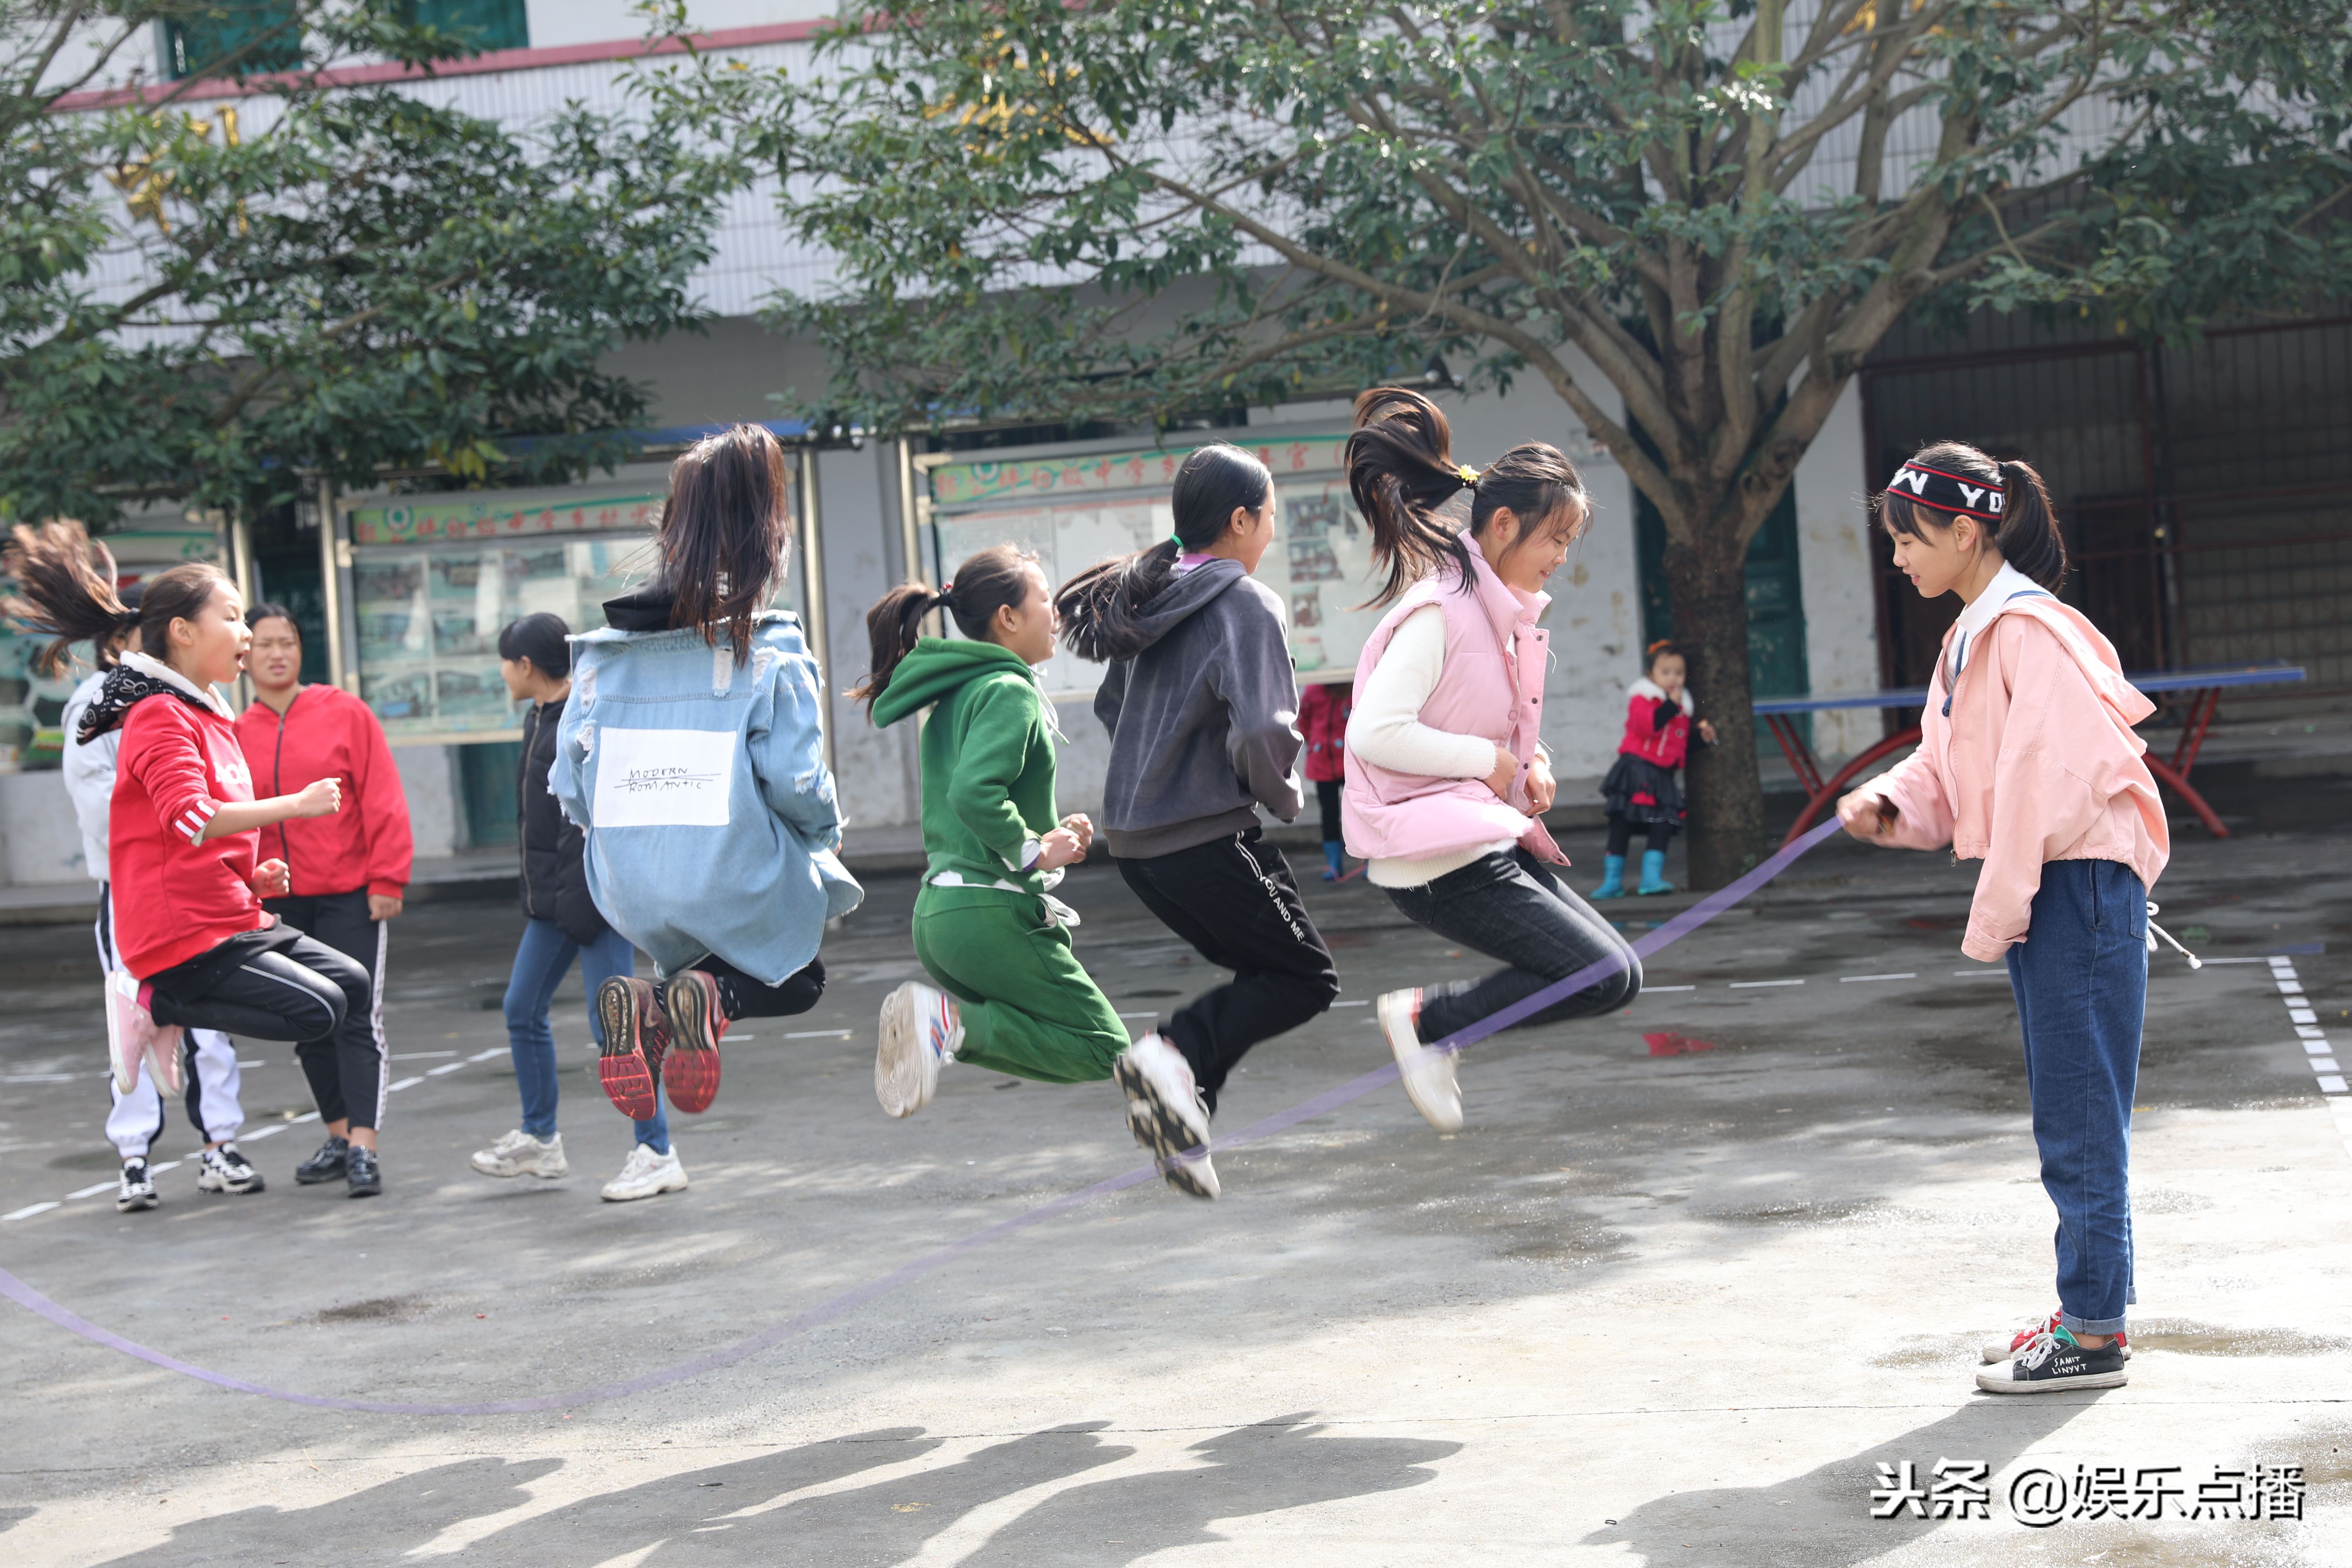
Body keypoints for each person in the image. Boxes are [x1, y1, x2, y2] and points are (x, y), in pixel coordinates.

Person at [1838, 441, 2169, 1395]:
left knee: (2079, 1117)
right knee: (2068, 1110)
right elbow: (1949, 774)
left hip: (2078, 886)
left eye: (1908, 538)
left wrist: (1995, 915)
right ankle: (2083, 1310)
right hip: (2054, 888)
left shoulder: (2027, 632)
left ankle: (2094, 1334)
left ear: (1965, 531)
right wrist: (1888, 802)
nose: (1898, 556)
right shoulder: (1972, 636)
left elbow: (2041, 788)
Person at [3, 522, 378, 1195]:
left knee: (352, 986)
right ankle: (151, 998)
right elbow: (192, 818)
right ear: (181, 632)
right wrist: (295, 805)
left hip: (232, 910)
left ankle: (166, 1007)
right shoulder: (156, 715)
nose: (246, 635)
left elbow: (200, 833)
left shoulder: (208, 714)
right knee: (317, 1012)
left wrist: (252, 873)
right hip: (183, 932)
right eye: (232, 617)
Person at [856, 545, 1213, 1198]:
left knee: (1090, 1043)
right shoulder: (1008, 690)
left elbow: (973, 800)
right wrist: (1031, 850)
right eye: (1044, 599)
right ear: (1006, 618)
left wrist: (1049, 836)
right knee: (1098, 1044)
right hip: (989, 913)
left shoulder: (963, 690)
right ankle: (947, 1025)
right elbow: (974, 793)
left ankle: (953, 1029)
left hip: (943, 912)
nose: (1056, 612)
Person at [1339, 388, 1643, 1132]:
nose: (1563, 558)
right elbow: (1374, 731)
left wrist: (1525, 757)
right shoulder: (1443, 609)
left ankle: (1435, 1023)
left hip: (1474, 835)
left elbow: (1479, 719)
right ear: (1503, 524)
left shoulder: (1493, 608)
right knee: (1600, 975)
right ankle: (1428, 1021)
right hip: (1434, 857)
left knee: (1619, 975)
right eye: (1556, 539)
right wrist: (1496, 765)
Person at [551, 424, 858, 1127]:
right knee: (799, 975)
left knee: (686, 958)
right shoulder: (769, 648)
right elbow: (794, 780)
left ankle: (653, 1000)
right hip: (729, 870)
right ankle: (709, 997)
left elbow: (569, 783)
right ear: (767, 531)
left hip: (626, 886)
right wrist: (825, 835)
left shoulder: (601, 654)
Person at [1055, 441, 1341, 1155]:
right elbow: (1262, 729)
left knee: (1264, 969)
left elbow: (1111, 708)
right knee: (1305, 976)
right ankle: (1172, 1051)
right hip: (1203, 836)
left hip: (1138, 844)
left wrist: (1157, 769)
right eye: (1270, 516)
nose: (1272, 531)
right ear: (1241, 521)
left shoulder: (1147, 592)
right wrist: (1282, 793)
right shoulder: (1244, 601)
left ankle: (1182, 1111)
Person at [469, 614, 681, 1201]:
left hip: (590, 903)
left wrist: (583, 905)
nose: (503, 672)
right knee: (521, 1009)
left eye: (505, 661)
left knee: (611, 1025)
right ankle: (541, 1139)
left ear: (527, 666)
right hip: (552, 905)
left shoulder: (583, 721)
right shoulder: (539, 719)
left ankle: (657, 1150)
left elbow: (586, 825)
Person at [61, 566, 252, 1211]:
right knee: (135, 1018)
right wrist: (164, 859)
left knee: (211, 1021)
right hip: (137, 891)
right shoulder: (103, 705)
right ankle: (135, 1156)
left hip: (199, 885)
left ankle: (219, 1145)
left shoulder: (194, 700)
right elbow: (106, 809)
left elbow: (217, 799)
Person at [234, 605, 413, 1194]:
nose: (277, 653)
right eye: (265, 645)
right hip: (280, 902)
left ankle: (365, 1145)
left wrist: (388, 879)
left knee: (357, 1016)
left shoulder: (344, 712)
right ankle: (338, 1136)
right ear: (246, 655)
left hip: (350, 894)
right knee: (306, 1019)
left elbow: (382, 795)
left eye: (287, 642)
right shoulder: (237, 732)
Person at [1592, 640, 1717, 898]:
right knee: (1622, 824)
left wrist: (1701, 739)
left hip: (1662, 777)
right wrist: (1671, 704)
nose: (1673, 678)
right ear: (1651, 675)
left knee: (1662, 825)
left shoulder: (1683, 707)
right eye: (1666, 672)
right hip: (1636, 771)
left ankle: (1651, 879)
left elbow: (1679, 744)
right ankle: (1612, 882)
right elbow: (1649, 727)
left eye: (1679, 673)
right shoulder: (1643, 699)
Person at [1297, 680, 1358, 881]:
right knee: (1329, 814)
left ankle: (1368, 859)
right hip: (1323, 764)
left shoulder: (1355, 688)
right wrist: (1314, 742)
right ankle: (1334, 864)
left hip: (1350, 763)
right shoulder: (1314, 691)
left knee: (1359, 812)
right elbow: (1304, 720)